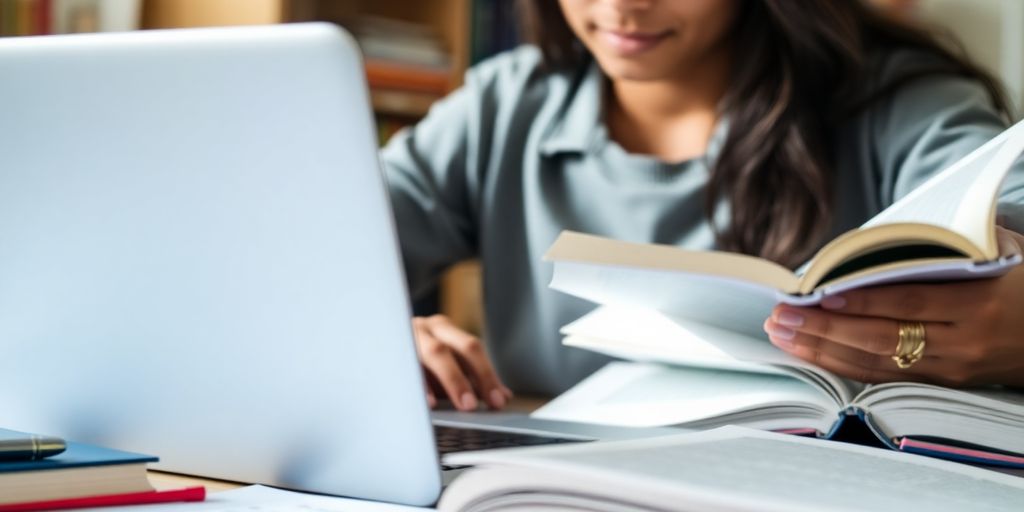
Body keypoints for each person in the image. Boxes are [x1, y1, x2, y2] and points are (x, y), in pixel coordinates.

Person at [381, 0, 1024, 411]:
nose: (621, 7)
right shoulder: (502, 105)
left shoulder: (898, 100)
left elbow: (1006, 204)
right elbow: (317, 250)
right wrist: (372, 339)